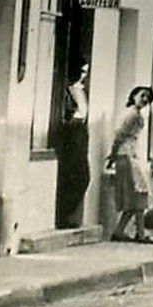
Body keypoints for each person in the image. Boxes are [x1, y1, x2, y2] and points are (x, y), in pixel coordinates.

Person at [107, 85, 153, 243]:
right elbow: (120, 135)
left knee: (137, 196)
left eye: (147, 97)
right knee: (138, 194)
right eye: (142, 95)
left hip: (130, 155)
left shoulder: (132, 113)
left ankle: (122, 231)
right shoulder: (132, 115)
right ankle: (138, 233)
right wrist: (113, 154)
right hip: (127, 156)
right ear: (133, 95)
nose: (144, 99)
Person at [55, 61, 91, 228]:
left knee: (83, 176)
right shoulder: (64, 90)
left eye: (85, 71)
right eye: (81, 70)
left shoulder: (81, 90)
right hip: (70, 132)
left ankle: (69, 213)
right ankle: (63, 216)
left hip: (80, 130)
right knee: (69, 176)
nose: (83, 74)